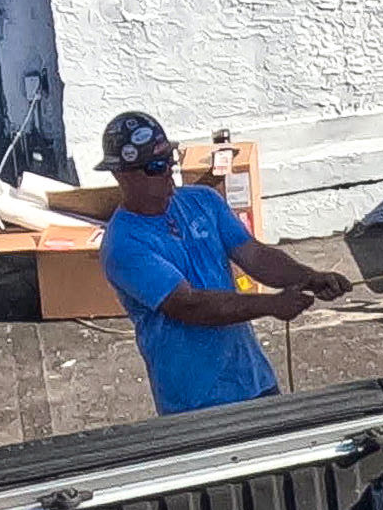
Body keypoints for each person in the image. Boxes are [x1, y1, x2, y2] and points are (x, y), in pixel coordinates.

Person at [95, 109, 351, 413]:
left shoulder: (203, 200)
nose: (167, 171)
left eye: (170, 160)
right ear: (122, 175)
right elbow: (187, 305)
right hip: (194, 400)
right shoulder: (123, 245)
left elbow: (254, 254)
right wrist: (271, 306)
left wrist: (308, 277)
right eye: (154, 166)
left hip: (251, 378)